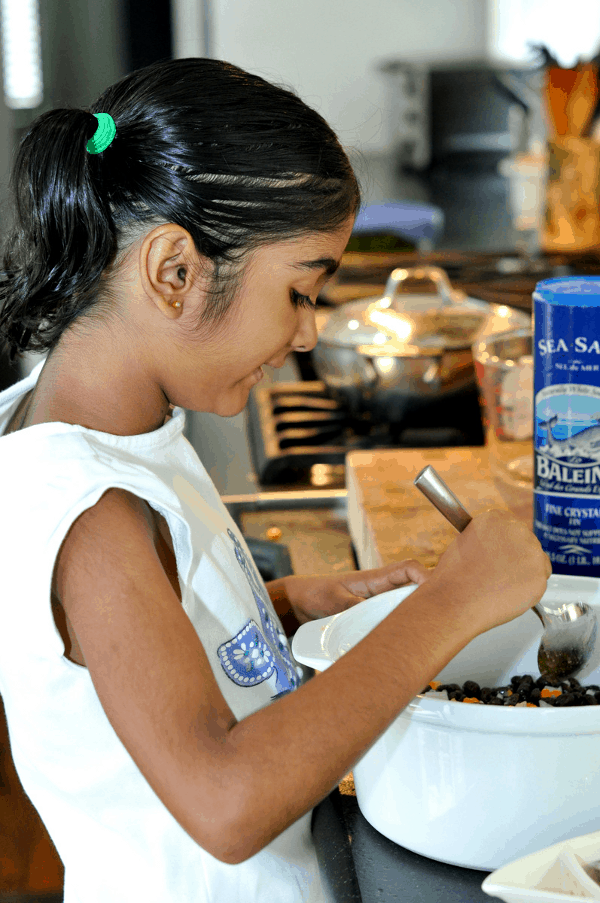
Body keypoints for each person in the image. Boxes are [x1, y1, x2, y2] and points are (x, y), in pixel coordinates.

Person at [0, 58, 550, 903]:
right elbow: (225, 800)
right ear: (173, 271)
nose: (304, 335)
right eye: (299, 291)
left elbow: (127, 649)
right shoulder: (92, 512)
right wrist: (453, 605)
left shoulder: (97, 428)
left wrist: (286, 604)